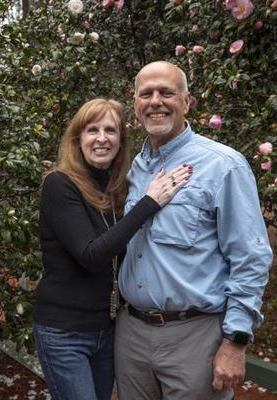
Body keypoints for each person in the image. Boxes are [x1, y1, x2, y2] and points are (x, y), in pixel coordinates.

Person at [115, 61, 273, 400]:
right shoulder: (135, 167)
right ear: (135, 103)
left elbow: (250, 256)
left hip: (195, 337)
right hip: (131, 335)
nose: (156, 101)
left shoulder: (222, 165)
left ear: (187, 102)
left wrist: (235, 341)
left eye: (167, 92)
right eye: (146, 94)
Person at [33, 98, 192, 400]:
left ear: (121, 140)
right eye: (92, 130)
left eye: (111, 130)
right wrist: (150, 202)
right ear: (77, 139)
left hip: (107, 331)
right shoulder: (60, 184)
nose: (102, 138)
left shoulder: (116, 190)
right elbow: (91, 255)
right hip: (64, 332)